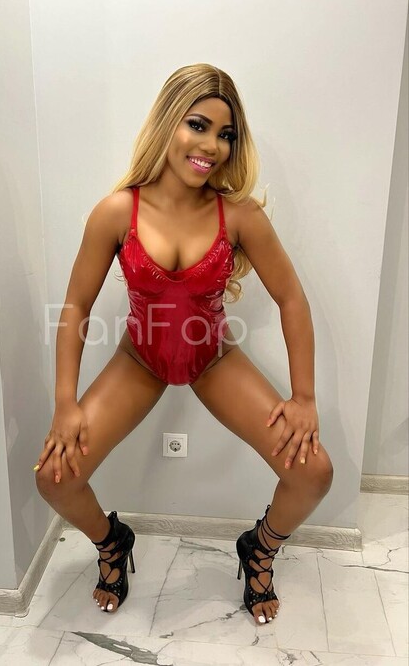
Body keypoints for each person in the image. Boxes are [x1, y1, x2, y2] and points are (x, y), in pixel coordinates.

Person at [34, 63, 334, 626]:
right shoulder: (116, 211)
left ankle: (259, 550)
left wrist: (305, 397)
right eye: (198, 125)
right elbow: (75, 307)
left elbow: (292, 299)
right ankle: (112, 544)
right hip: (140, 360)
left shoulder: (239, 216)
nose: (212, 146)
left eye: (226, 134)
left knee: (313, 471)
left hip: (211, 358)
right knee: (55, 477)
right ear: (169, 122)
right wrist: (64, 402)